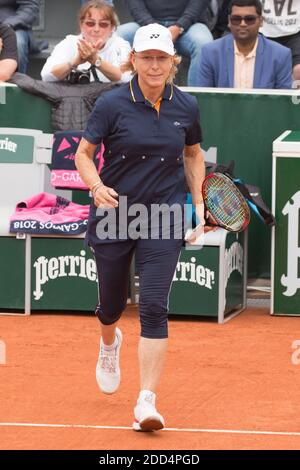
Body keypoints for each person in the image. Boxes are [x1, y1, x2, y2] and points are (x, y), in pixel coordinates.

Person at [75, 23, 206, 431]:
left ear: (173, 63)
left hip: (164, 216)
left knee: (153, 306)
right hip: (115, 212)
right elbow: (83, 154)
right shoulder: (112, 103)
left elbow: (193, 154)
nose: (153, 65)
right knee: (112, 305)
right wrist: (96, 186)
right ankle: (109, 342)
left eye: (161, 59)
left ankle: (146, 401)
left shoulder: (186, 106)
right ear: (133, 60)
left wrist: (198, 204)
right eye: (146, 57)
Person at [196, 0, 292, 88]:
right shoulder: (210, 52)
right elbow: (205, 99)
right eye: (236, 19)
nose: (242, 24)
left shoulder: (280, 55)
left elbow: (283, 103)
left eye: (249, 19)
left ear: (261, 21)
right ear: (229, 21)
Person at [116, 0, 213, 86]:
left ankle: (198, 99)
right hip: (146, 25)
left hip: (188, 26)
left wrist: (179, 26)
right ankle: (122, 98)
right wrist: (154, 28)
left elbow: (198, 4)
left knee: (204, 43)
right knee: (118, 36)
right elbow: (136, 7)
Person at [41, 1, 131, 83]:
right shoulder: (69, 43)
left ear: (112, 28)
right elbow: (46, 76)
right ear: (81, 25)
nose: (96, 29)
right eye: (90, 24)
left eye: (103, 24)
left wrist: (96, 60)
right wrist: (74, 63)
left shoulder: (120, 45)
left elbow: (127, 79)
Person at [260, 0, 300, 82]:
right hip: (263, 29)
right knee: (262, 72)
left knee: (298, 71)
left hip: (295, 30)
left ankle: (293, 94)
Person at [0, 0, 39, 73]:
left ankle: (16, 83)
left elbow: (29, 7)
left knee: (18, 42)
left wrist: (5, 28)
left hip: (13, 25)